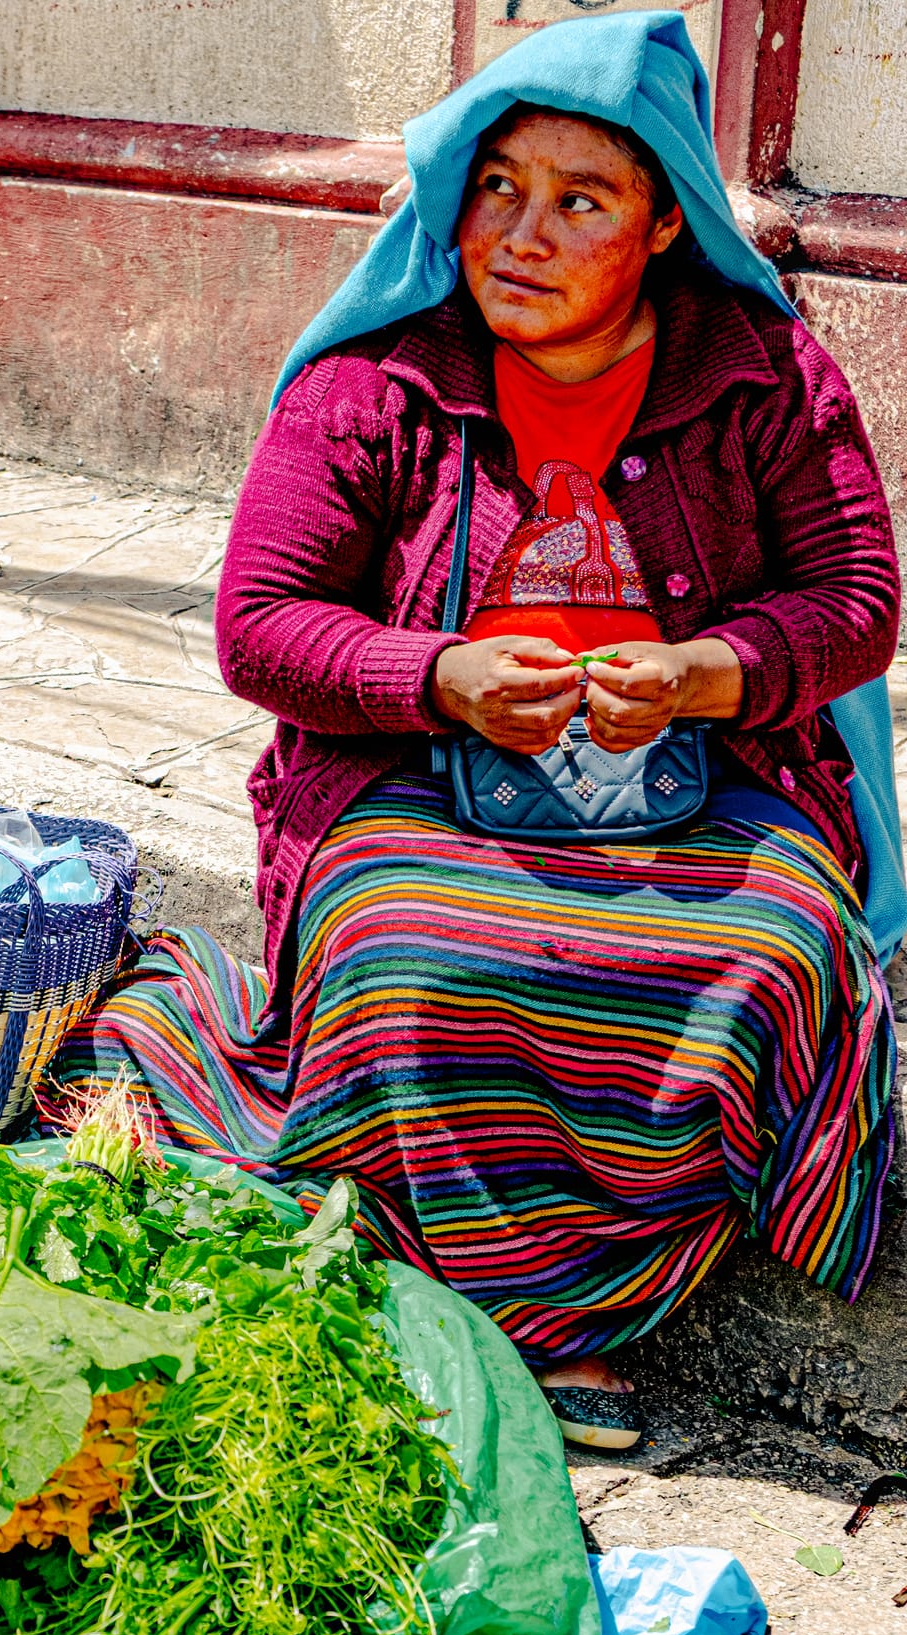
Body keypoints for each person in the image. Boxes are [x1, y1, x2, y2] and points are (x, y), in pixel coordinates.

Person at [54, 12, 902, 1451]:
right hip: (419, 788)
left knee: (777, 954)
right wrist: (440, 678)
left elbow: (856, 600)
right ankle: (520, 1315)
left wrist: (703, 671)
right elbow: (262, 621)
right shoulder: (379, 376)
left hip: (708, 787)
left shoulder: (759, 373)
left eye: (583, 200)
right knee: (409, 947)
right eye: (499, 186)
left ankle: (560, 1292)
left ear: (662, 230)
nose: (524, 232)